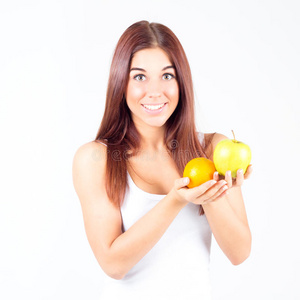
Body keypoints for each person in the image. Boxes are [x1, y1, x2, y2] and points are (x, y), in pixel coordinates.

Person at [72, 20, 253, 299]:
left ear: (181, 82)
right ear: (121, 83)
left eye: (167, 76)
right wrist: (175, 200)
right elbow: (112, 264)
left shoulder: (212, 148)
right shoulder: (96, 159)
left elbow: (239, 253)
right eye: (140, 77)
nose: (155, 91)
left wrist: (213, 193)